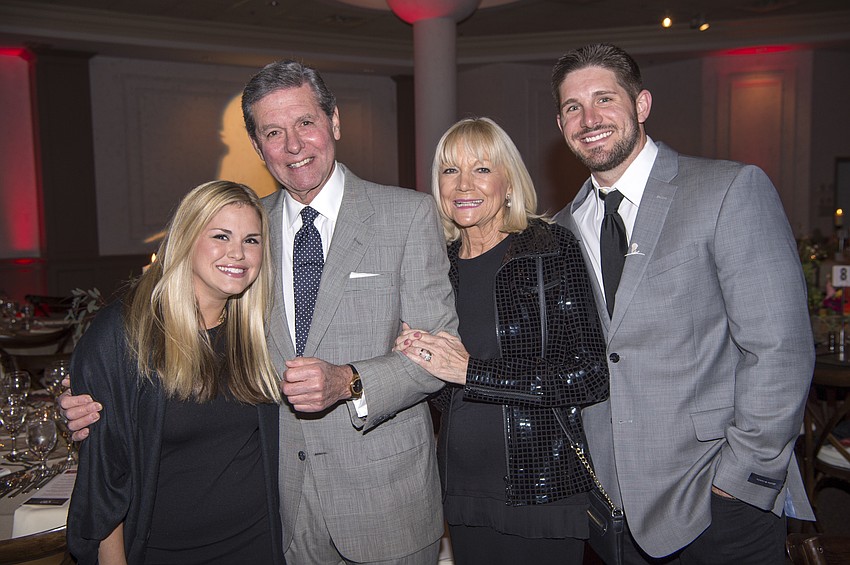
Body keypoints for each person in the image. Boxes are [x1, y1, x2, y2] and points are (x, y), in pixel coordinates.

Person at [63, 60, 458, 565]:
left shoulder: (407, 214)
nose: (293, 145)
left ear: (334, 121)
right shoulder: (249, 228)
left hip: (384, 503)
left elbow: (440, 355)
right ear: (257, 146)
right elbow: (183, 341)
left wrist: (351, 381)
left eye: (306, 122)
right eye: (274, 132)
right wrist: (100, 400)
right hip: (277, 511)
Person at [550, 43, 815, 563]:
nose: (589, 119)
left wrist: (740, 482)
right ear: (561, 125)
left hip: (717, 497)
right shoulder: (562, 228)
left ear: (641, 104)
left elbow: (780, 350)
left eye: (604, 99)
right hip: (614, 508)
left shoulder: (727, 190)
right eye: (572, 107)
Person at [395, 117, 609, 565]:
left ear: (508, 182)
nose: (463, 184)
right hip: (462, 487)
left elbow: (591, 374)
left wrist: (472, 371)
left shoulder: (549, 248)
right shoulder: (435, 265)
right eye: (450, 170)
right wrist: (418, 356)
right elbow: (446, 395)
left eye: (481, 169)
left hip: (542, 488)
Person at [66, 180, 285, 564]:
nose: (238, 253)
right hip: (163, 552)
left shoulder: (262, 332)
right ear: (186, 238)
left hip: (259, 545)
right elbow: (104, 479)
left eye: (251, 240)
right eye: (221, 236)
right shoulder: (126, 332)